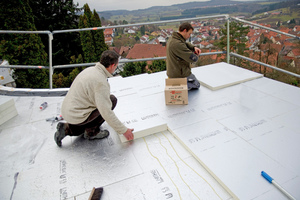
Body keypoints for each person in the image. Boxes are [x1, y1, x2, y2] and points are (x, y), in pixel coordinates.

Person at [54, 50, 134, 147]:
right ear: (112, 65)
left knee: (100, 105)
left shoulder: (91, 70)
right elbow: (106, 112)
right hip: (77, 114)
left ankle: (66, 129)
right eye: (116, 66)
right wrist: (124, 131)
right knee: (111, 100)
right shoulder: (100, 82)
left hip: (69, 111)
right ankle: (92, 132)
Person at [166, 22, 201, 90]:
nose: (189, 36)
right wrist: (196, 55)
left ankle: (179, 85)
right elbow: (193, 58)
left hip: (173, 71)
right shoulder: (177, 44)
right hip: (179, 74)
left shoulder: (173, 38)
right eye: (189, 34)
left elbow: (184, 43)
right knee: (197, 85)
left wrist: (193, 47)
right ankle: (179, 86)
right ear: (185, 31)